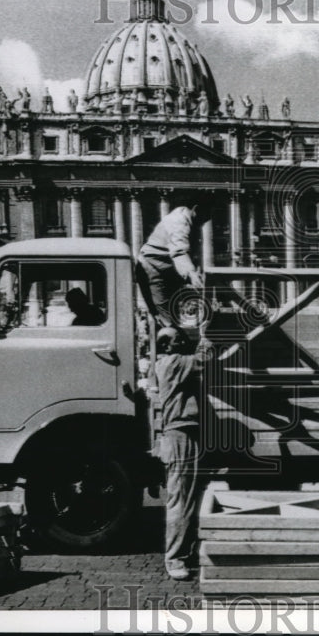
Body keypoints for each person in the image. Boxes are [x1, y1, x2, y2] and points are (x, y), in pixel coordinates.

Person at [152, 326, 214, 580]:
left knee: (188, 497)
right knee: (181, 499)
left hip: (184, 434)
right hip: (180, 436)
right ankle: (174, 558)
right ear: (166, 345)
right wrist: (208, 329)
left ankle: (183, 552)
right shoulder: (173, 363)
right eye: (178, 340)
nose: (183, 342)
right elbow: (206, 357)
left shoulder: (170, 363)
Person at [136, 196, 206, 328]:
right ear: (196, 209)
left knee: (177, 314)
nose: (208, 219)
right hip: (153, 270)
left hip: (167, 270)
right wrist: (191, 273)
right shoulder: (179, 221)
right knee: (166, 320)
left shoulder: (189, 219)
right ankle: (168, 343)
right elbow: (179, 251)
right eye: (208, 214)